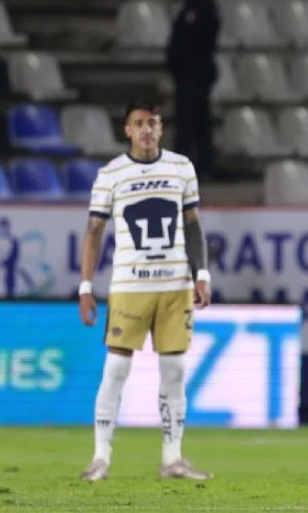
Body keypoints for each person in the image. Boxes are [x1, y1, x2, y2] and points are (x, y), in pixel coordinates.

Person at [78, 100, 213, 482]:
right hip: (129, 285)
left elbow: (192, 225)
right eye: (139, 123)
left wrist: (201, 272)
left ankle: (172, 459)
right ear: (127, 130)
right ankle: (100, 457)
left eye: (152, 123)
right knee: (117, 367)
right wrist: (86, 286)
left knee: (174, 370)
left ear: (161, 127)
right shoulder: (111, 174)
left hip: (174, 286)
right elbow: (93, 232)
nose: (146, 130)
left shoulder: (181, 167)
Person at [165, 0, 219, 179]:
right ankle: (199, 165)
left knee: (191, 122)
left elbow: (194, 43)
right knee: (195, 121)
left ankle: (190, 166)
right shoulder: (194, 5)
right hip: (192, 73)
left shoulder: (199, 6)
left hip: (194, 73)